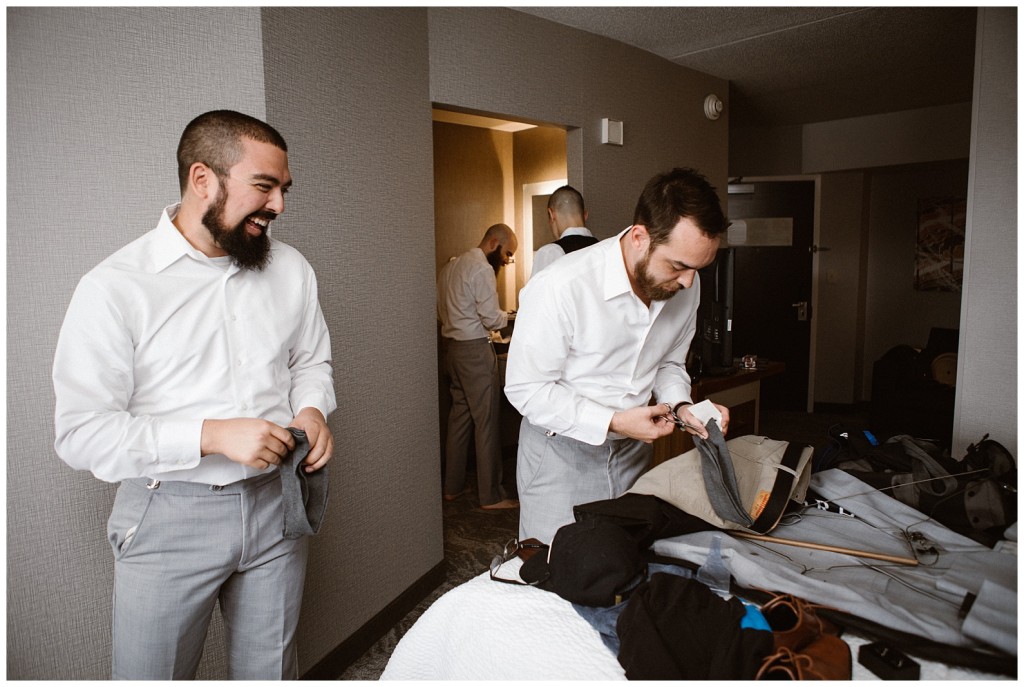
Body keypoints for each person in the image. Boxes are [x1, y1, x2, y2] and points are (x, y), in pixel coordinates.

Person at [52, 110, 336, 680]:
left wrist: (312, 407)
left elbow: (310, 360)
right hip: (167, 514)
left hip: (277, 505)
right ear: (202, 179)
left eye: (283, 189)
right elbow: (81, 433)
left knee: (271, 672)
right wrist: (209, 435)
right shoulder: (113, 288)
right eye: (264, 186)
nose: (279, 205)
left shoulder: (292, 269)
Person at [505, 167, 731, 544]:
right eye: (678, 266)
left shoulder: (686, 284)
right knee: (557, 572)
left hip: (634, 455)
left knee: (625, 564)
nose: (689, 282)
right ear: (640, 237)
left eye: (698, 269)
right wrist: (613, 421)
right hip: (560, 456)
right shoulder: (561, 286)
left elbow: (669, 363)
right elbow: (526, 388)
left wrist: (682, 407)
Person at [437, 223, 520, 510]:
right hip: (474, 351)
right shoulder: (481, 268)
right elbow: (491, 319)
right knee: (486, 423)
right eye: (508, 254)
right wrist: (513, 317)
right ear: (494, 242)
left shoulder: (450, 267)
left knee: (459, 419)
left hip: (452, 350)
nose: (507, 261)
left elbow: (444, 311)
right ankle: (492, 495)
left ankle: (452, 486)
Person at [530, 185, 597, 278]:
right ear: (585, 215)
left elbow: (536, 292)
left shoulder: (549, 253)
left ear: (551, 214)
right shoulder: (606, 251)